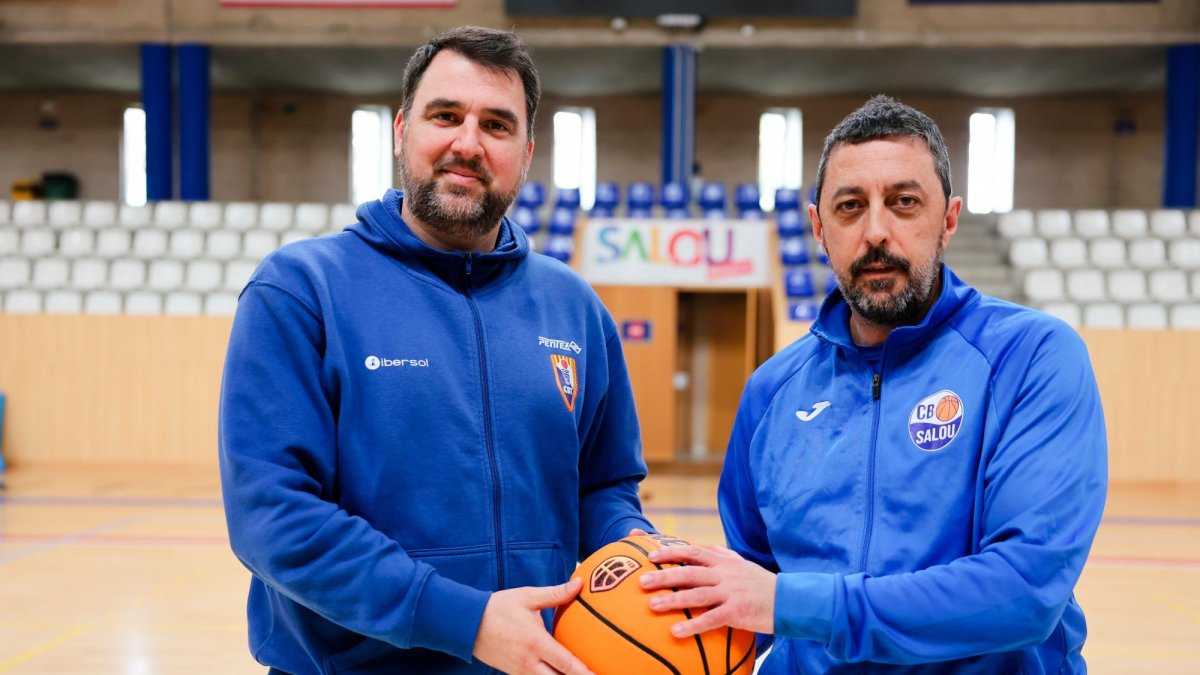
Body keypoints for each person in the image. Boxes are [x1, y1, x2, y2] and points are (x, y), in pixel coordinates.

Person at [218, 26, 654, 675]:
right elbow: (273, 514)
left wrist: (638, 553)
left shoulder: (574, 306)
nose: (468, 144)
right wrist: (462, 620)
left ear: (526, 153)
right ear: (402, 131)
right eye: (445, 116)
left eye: (497, 125)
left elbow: (604, 486)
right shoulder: (302, 290)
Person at [640, 95, 1108, 673]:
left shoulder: (1030, 356)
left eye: (904, 202)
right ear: (819, 228)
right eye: (850, 206)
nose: (876, 232)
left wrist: (796, 604)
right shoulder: (771, 392)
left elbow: (1024, 592)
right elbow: (750, 598)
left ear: (948, 220)